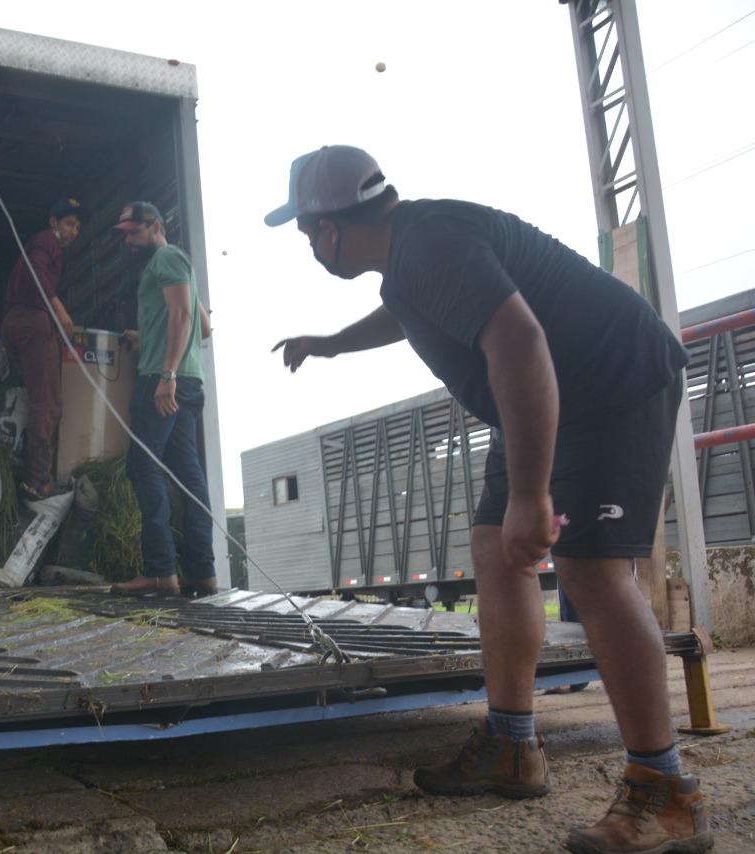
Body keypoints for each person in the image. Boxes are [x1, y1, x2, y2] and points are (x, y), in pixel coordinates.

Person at [266, 146, 708, 854]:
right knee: (493, 550)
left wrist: (533, 494)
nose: (312, 250)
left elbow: (520, 340)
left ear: (329, 230)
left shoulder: (431, 244)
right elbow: (403, 315)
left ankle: (666, 791)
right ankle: (511, 743)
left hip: (608, 384)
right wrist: (331, 345)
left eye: (306, 238)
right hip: (535, 398)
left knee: (593, 573)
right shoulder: (411, 260)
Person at [109, 202, 216, 598]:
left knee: (142, 465)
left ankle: (160, 571)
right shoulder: (180, 266)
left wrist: (166, 373)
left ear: (155, 227)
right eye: (125, 233)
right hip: (189, 382)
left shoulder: (167, 257)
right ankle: (202, 572)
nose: (128, 240)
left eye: (134, 232)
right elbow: (203, 326)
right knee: (188, 474)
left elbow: (184, 316)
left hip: (164, 378)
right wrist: (146, 337)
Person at [0, 198, 84, 500]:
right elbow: (36, 271)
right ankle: (38, 481)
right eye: (69, 224)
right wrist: (59, 310)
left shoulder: (49, 247)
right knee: (47, 403)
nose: (74, 231)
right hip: (33, 322)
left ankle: (15, 467)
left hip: (12, 322)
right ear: (54, 223)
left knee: (26, 396)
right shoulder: (47, 241)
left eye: (77, 227)